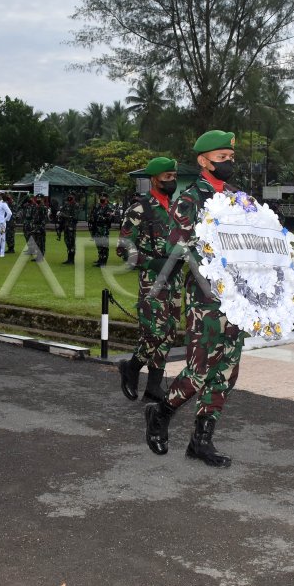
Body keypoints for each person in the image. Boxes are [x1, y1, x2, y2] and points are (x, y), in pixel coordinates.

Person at [144, 130, 247, 468]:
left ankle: (201, 441)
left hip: (236, 298)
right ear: (204, 161)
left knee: (226, 371)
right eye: (222, 158)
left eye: (230, 158)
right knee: (199, 371)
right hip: (206, 296)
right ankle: (161, 412)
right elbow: (179, 242)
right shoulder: (189, 199)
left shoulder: (238, 196)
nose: (228, 163)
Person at [116, 158, 180, 403]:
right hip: (152, 278)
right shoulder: (140, 209)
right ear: (154, 179)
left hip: (173, 278)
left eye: (173, 176)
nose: (172, 181)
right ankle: (131, 367)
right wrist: (150, 262)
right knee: (153, 332)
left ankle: (153, 386)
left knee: (169, 333)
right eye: (166, 177)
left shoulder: (175, 209)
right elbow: (123, 248)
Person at [88, 194, 114, 267]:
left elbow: (108, 218)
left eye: (104, 198)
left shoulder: (109, 207)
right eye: (101, 198)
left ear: (107, 199)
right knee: (99, 245)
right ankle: (100, 259)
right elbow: (93, 216)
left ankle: (104, 261)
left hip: (104, 229)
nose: (102, 199)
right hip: (97, 229)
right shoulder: (97, 207)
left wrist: (98, 218)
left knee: (104, 246)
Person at [58, 193, 80, 264]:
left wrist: (65, 216)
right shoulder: (66, 205)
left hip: (71, 227)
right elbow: (61, 212)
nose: (69, 198)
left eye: (71, 196)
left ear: (74, 197)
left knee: (72, 243)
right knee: (67, 242)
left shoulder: (76, 205)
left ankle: (72, 259)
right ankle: (69, 259)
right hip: (66, 226)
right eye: (69, 196)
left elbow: (75, 217)